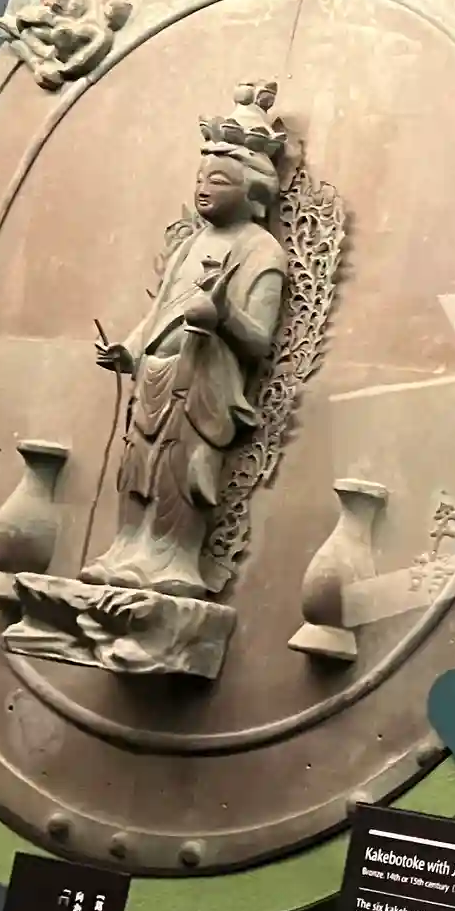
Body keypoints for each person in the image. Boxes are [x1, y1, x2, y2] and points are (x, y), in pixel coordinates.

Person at [84, 85, 288, 599]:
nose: (204, 189)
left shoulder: (261, 250)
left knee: (181, 470)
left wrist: (222, 316)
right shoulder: (191, 243)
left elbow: (259, 340)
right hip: (156, 374)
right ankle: (126, 551)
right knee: (137, 466)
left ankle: (170, 560)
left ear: (253, 192)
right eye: (200, 179)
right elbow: (160, 308)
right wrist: (129, 350)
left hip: (203, 384)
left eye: (219, 180)